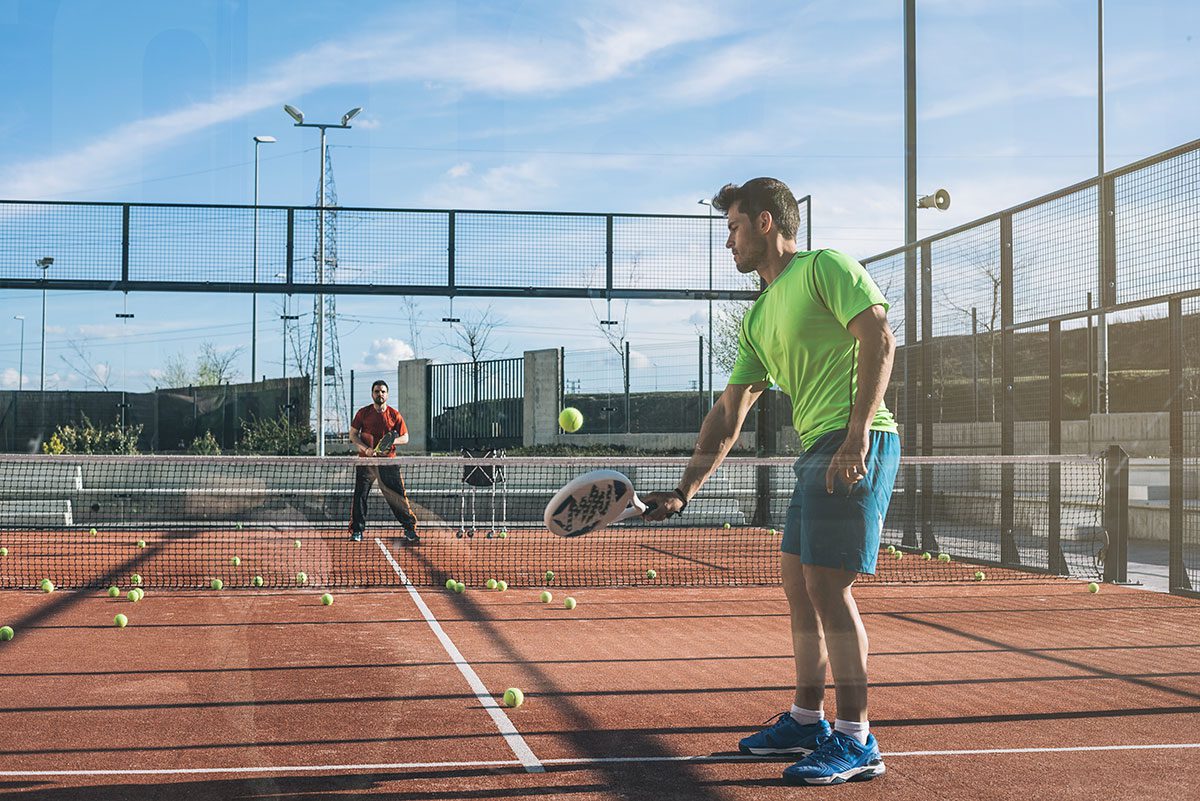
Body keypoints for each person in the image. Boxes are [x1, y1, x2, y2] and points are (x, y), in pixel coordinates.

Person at [643, 178, 899, 786]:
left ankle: (857, 737)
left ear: (764, 223)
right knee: (797, 585)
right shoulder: (758, 316)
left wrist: (858, 432)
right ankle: (808, 719)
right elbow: (729, 413)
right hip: (815, 449)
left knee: (828, 588)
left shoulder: (824, 268)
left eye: (732, 227)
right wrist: (684, 491)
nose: (727, 242)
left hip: (855, 438)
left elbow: (879, 339)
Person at [347, 379, 420, 544]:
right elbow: (352, 435)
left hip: (388, 463)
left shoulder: (394, 415)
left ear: (387, 394)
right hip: (366, 463)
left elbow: (405, 437)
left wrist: (391, 442)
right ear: (372, 394)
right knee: (360, 496)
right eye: (376, 391)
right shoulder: (362, 413)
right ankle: (357, 531)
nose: (379, 394)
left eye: (382, 391)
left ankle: (409, 529)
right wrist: (366, 449)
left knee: (398, 497)